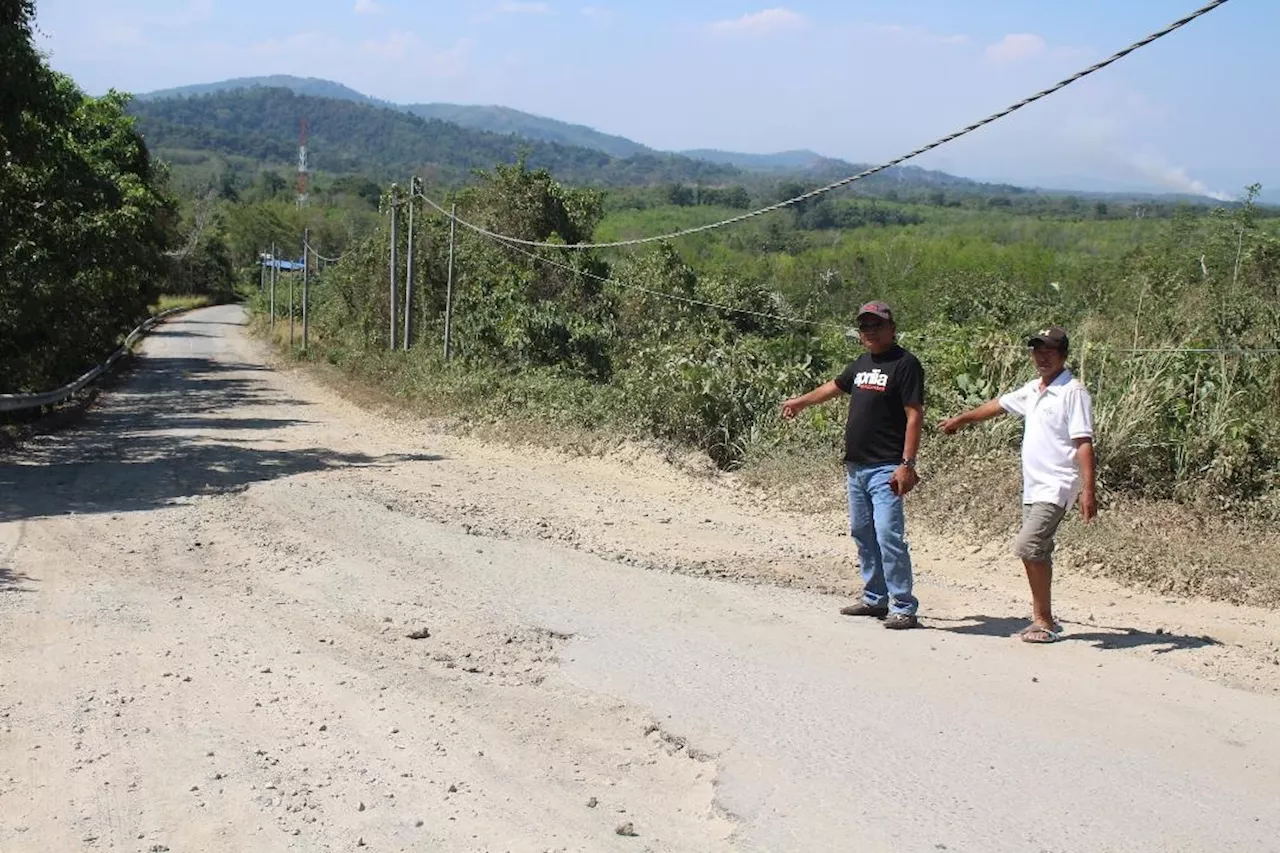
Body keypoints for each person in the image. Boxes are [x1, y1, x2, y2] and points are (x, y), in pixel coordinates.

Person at [938, 326, 1097, 644]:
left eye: (1049, 351)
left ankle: (1045, 621)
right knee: (1037, 551)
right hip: (1034, 486)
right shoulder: (1034, 389)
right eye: (1037, 351)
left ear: (1063, 355)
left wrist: (1089, 488)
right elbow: (999, 404)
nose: (1042, 357)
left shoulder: (1072, 392)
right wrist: (963, 419)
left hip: (1058, 484)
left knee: (1028, 546)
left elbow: (1083, 443)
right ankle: (1044, 618)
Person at [782, 301, 925, 629]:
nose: (871, 332)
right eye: (865, 327)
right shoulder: (861, 363)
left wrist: (908, 463)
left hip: (887, 467)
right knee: (863, 532)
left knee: (888, 534)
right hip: (856, 467)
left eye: (877, 325)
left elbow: (914, 414)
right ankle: (875, 599)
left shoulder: (905, 364)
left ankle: (903, 605)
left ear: (892, 327)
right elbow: (834, 387)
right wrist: (800, 402)